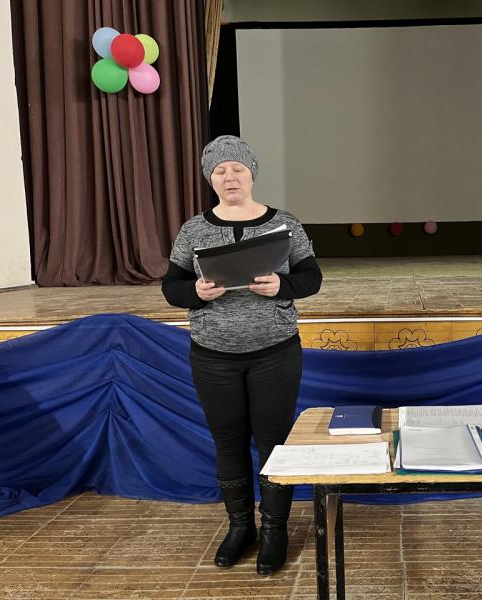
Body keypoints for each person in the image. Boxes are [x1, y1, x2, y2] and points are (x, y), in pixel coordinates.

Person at [162, 135, 322, 575]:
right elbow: (171, 287)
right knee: (228, 443)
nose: (229, 177)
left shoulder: (284, 223)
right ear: (209, 179)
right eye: (219, 171)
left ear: (252, 173)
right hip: (213, 357)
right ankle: (240, 527)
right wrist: (195, 291)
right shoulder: (194, 230)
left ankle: (274, 530)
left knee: (273, 443)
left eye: (237, 168)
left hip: (275, 353)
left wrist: (282, 285)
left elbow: (312, 277)